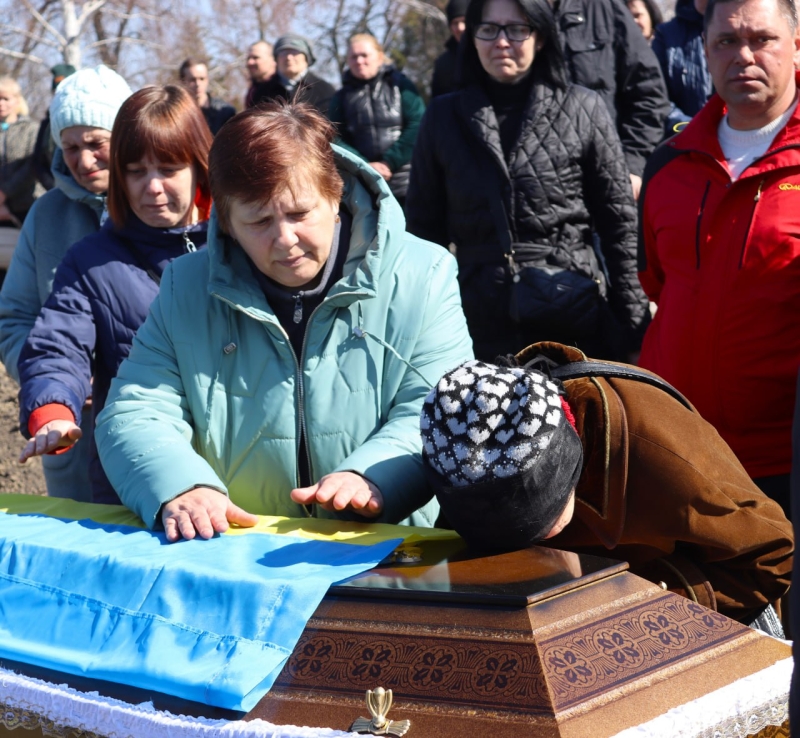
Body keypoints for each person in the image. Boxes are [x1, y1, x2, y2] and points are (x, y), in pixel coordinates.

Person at [94, 101, 473, 541]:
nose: (285, 239)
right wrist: (183, 485)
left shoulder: (423, 274)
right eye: (257, 220)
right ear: (227, 224)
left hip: (387, 555)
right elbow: (135, 408)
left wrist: (371, 477)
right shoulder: (185, 287)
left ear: (335, 196)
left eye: (299, 214)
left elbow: (438, 405)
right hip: (236, 552)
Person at [421, 342, 793, 630]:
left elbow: (773, 557)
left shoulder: (654, 446)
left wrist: (643, 606)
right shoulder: (464, 446)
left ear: (567, 464)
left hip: (685, 630)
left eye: (536, 525)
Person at [406, 0, 649, 362]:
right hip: (475, 320)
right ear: (471, 37)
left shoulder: (584, 108)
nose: (501, 41)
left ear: (541, 36)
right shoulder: (442, 117)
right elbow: (424, 233)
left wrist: (634, 324)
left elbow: (619, 225)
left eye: (517, 29)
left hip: (570, 309)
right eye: (488, 29)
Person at [638, 0, 800, 519]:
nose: (744, 55)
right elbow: (657, 282)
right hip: (679, 453)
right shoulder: (668, 162)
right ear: (705, 53)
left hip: (782, 463)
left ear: (796, 45)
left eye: (762, 39)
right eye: (726, 42)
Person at [17, 85, 212, 505]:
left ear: (199, 166)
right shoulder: (90, 260)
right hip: (137, 482)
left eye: (168, 168)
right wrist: (53, 411)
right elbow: (57, 344)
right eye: (136, 171)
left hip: (238, 478)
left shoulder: (242, 245)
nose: (153, 187)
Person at [0, 64, 131, 502]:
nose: (83, 159)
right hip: (71, 433)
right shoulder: (47, 215)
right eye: (70, 146)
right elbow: (14, 317)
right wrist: (53, 383)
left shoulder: (160, 209)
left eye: (96, 143)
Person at [552, 0, 670, 198]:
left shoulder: (604, 9)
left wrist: (632, 164)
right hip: (532, 192)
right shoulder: (503, 15)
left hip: (603, 188)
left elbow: (649, 94)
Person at [329, 34, 425, 210]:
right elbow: (333, 136)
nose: (359, 61)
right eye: (353, 57)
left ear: (380, 57)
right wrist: (365, 166)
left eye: (364, 55)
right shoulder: (340, 97)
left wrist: (389, 161)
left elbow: (418, 124)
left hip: (408, 182)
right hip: (365, 186)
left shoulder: (402, 86)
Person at [652, 0, 714, 137]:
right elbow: (656, 96)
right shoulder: (666, 35)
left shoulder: (740, 29)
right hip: (684, 142)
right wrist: (691, 129)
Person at [250, 36, 336, 117]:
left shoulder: (324, 90)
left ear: (307, 58)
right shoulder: (262, 92)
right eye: (283, 53)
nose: (289, 57)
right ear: (276, 59)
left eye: (295, 52)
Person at [0, 77, 42, 226]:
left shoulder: (31, 129)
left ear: (17, 101)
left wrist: (5, 192)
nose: (1, 103)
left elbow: (32, 165)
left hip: (27, 205)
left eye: (6, 98)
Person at [32, 64, 76, 191]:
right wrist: (55, 187)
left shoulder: (85, 120)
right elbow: (37, 162)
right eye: (57, 92)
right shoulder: (47, 123)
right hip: (55, 190)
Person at [179, 58, 236, 135]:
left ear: (207, 80)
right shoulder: (177, 114)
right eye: (192, 80)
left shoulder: (225, 112)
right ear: (183, 81)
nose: (197, 84)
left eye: (202, 79)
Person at [431, 0, 469, 98]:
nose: (460, 28)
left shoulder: (488, 54)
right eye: (455, 23)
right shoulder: (442, 64)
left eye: (464, 21)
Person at [244, 40, 276, 108]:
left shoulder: (282, 88)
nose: (250, 62)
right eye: (248, 58)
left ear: (273, 59)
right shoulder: (253, 89)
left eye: (256, 58)